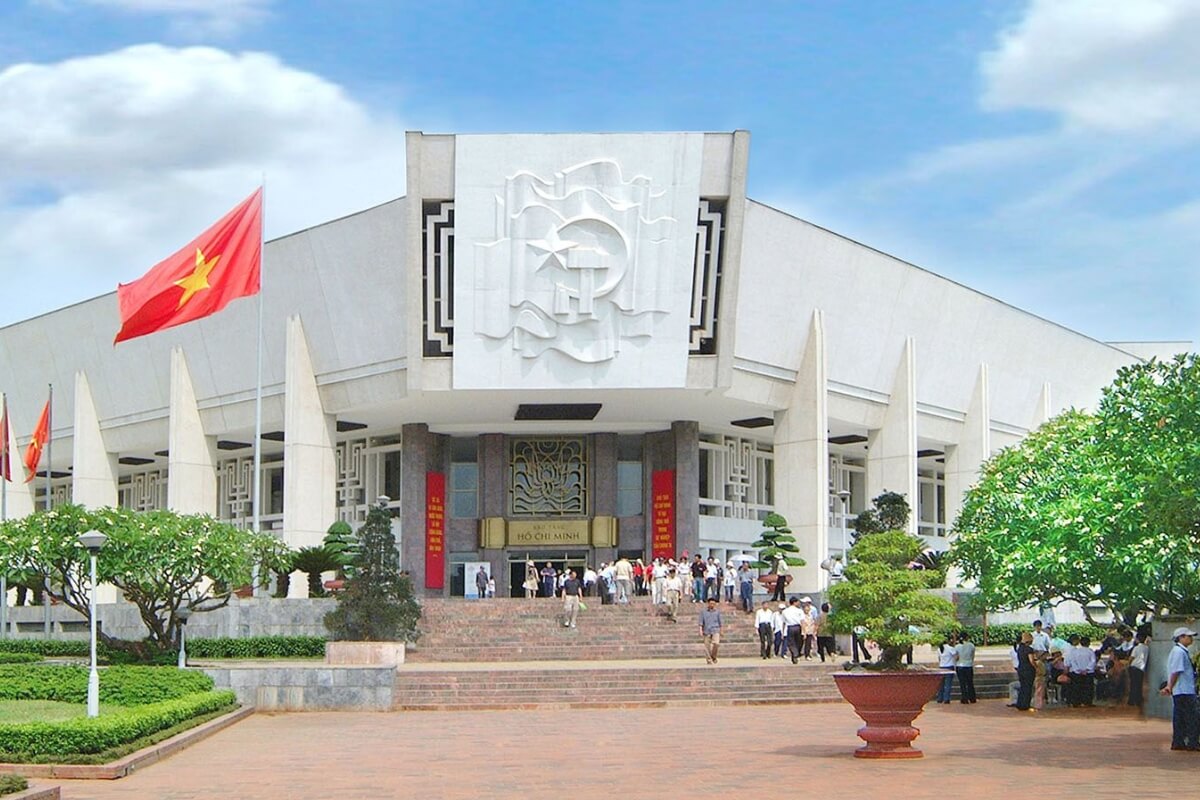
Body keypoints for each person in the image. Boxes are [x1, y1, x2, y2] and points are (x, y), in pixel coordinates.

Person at [1160, 626, 1198, 751]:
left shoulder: (1180, 651)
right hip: (1184, 690)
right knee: (1191, 717)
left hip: (1182, 690)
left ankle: (1179, 741)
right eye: (1188, 636)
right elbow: (1176, 671)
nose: (1191, 639)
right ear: (1181, 637)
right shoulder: (1179, 652)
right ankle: (1192, 742)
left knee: (1180, 717)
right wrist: (1169, 686)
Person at [1014, 632, 1036, 711]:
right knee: (1028, 687)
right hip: (1028, 670)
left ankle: (1020, 703)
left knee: (1022, 686)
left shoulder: (1019, 648)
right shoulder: (1029, 649)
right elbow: (1031, 661)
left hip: (1021, 668)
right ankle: (1025, 704)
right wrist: (1036, 667)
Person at [699, 597, 724, 664]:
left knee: (716, 643)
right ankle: (709, 659)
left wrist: (721, 630)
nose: (712, 605)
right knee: (707, 647)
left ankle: (713, 656)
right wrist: (700, 630)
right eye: (711, 603)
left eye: (713, 604)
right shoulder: (703, 612)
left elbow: (720, 622)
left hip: (715, 630)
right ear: (708, 604)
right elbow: (701, 622)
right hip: (706, 630)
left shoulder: (717, 612)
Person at [1128, 632, 1149, 708]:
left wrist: (1128, 664)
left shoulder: (1136, 648)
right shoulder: (1147, 648)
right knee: (1139, 685)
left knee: (1133, 684)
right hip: (1141, 668)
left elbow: (1131, 658)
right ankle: (1138, 700)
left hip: (1134, 666)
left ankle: (1132, 700)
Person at [781, 597, 805, 664]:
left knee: (791, 642)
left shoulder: (785, 611)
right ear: (794, 602)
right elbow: (802, 621)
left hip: (790, 627)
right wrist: (804, 631)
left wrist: (783, 631)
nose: (798, 603)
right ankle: (796, 653)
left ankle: (794, 655)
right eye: (797, 602)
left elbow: (783, 622)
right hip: (797, 627)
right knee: (798, 642)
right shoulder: (799, 611)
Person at [955, 631, 977, 703]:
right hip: (969, 665)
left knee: (962, 683)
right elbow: (972, 656)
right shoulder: (971, 645)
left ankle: (964, 698)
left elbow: (956, 657)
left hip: (960, 665)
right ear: (967, 637)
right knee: (970, 682)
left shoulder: (957, 646)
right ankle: (972, 698)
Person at [936, 634, 958, 703]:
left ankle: (940, 698)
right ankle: (946, 698)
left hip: (941, 666)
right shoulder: (950, 648)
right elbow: (956, 657)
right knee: (948, 684)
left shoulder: (939, 649)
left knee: (941, 684)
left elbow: (939, 659)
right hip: (949, 667)